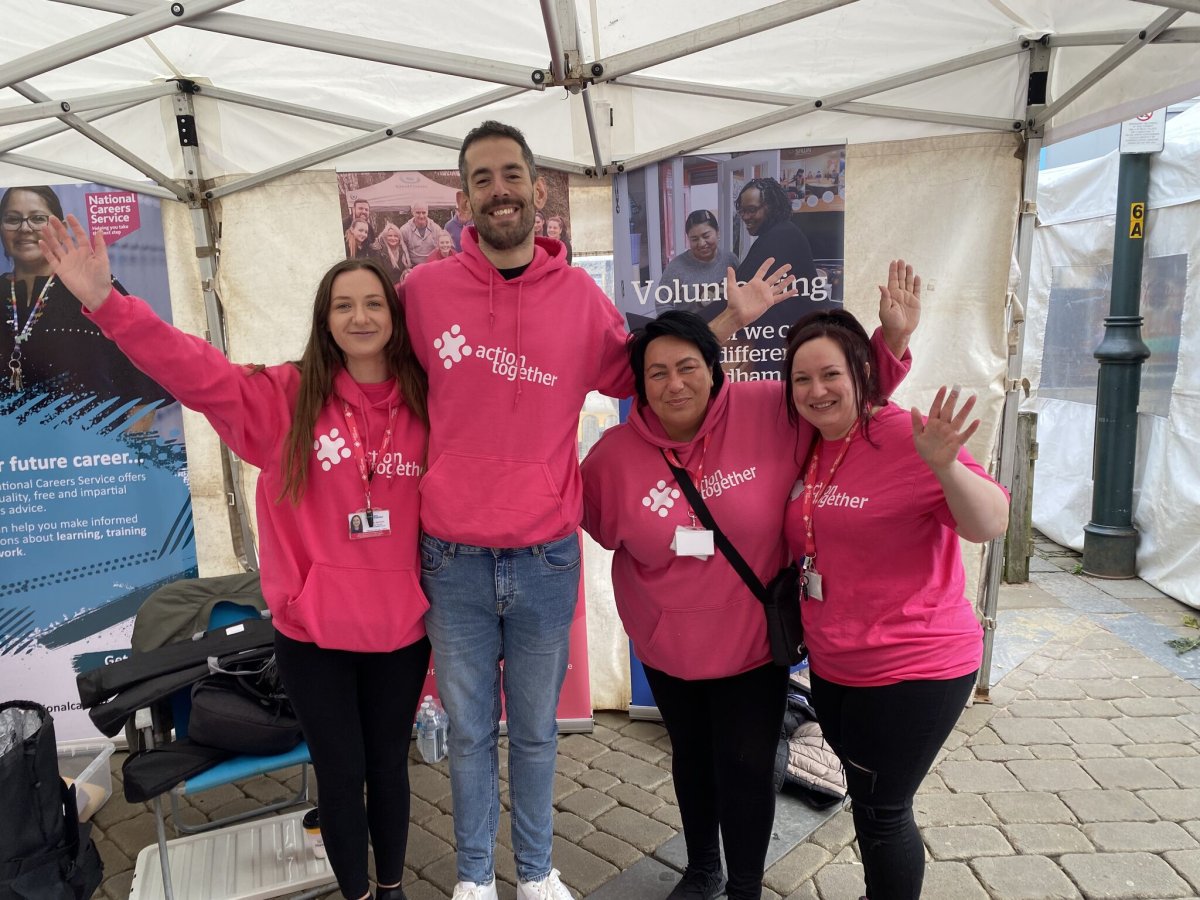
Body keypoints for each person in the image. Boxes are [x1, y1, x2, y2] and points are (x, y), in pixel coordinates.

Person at [400, 120, 798, 900]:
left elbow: (651, 374)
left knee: (540, 733)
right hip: (450, 554)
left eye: (512, 174)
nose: (499, 190)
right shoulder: (421, 293)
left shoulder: (580, 299)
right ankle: (477, 880)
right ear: (463, 197)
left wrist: (729, 324)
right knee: (473, 733)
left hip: (546, 554)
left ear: (538, 189)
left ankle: (539, 872)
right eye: (482, 179)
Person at [40, 218, 431, 900]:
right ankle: (361, 896)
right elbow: (196, 369)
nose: (360, 316)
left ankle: (393, 887)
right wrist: (108, 303)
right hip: (314, 636)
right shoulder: (286, 397)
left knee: (388, 770)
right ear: (325, 320)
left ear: (395, 318)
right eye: (344, 305)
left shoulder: (427, 405)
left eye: (374, 303)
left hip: (401, 631)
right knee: (340, 774)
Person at [579, 263, 917, 900]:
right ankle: (702, 866)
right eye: (656, 373)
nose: (674, 383)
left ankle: (745, 885)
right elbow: (588, 524)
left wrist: (890, 345)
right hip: (668, 644)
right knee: (692, 759)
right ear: (638, 386)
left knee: (747, 764)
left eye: (688, 368)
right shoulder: (610, 460)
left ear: (715, 370)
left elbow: (841, 403)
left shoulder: (768, 409)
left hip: (752, 644)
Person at [781, 309, 1008, 900]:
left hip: (915, 666)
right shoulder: (810, 442)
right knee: (868, 799)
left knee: (885, 810)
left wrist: (946, 464)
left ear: (861, 372)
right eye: (801, 379)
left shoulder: (910, 434)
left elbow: (989, 522)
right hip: (836, 665)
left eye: (830, 375)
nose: (815, 391)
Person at [1, 185, 172, 412]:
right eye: (12, 219)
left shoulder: (93, 288)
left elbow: (142, 393)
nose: (25, 229)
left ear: (60, 228)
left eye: (38, 218)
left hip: (96, 446)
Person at [735, 177, 819, 331]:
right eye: (742, 210)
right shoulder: (780, 232)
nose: (745, 217)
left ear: (772, 207)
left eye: (752, 210)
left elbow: (743, 289)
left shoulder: (780, 236)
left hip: (798, 334)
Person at [652, 209, 739, 317]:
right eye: (694, 239)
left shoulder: (730, 260)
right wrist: (679, 325)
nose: (702, 243)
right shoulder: (676, 267)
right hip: (691, 330)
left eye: (706, 236)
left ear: (717, 233)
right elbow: (662, 303)